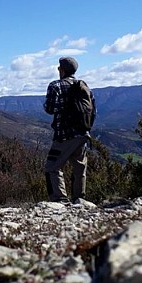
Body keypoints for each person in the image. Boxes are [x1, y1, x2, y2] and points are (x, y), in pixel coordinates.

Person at [43, 56, 96, 203]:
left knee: (52, 167)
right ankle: (80, 199)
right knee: (79, 168)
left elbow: (49, 108)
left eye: (59, 68)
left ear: (62, 70)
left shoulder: (55, 86)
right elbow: (93, 110)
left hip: (63, 135)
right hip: (82, 134)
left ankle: (60, 200)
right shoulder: (84, 87)